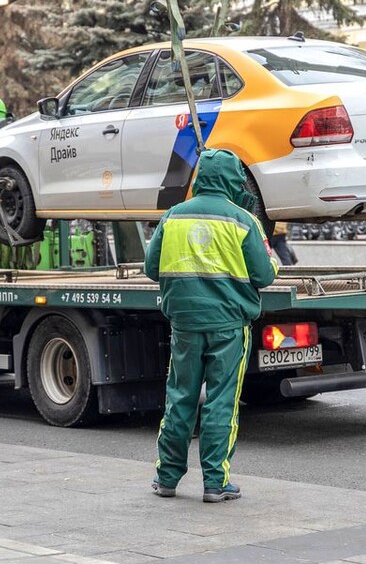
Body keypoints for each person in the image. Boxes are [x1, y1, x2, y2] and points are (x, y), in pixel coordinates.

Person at [145, 149, 278, 503]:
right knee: (221, 402)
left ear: (200, 176)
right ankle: (215, 483)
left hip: (185, 323)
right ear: (234, 181)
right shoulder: (243, 220)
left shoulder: (173, 217)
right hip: (229, 325)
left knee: (180, 398)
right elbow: (264, 275)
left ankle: (167, 478)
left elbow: (150, 267)